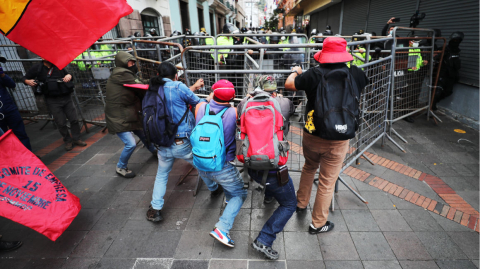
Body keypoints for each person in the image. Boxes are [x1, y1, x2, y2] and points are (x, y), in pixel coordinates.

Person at [284, 37, 369, 234]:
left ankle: (300, 203)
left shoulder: (313, 74)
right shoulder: (355, 73)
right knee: (327, 181)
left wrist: (296, 72)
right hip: (339, 138)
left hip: (312, 134)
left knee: (309, 167)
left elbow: (289, 85)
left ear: (323, 54)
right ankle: (318, 223)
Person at [146, 62, 217, 222]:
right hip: (181, 141)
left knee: (162, 174)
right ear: (176, 76)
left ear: (158, 75)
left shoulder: (153, 88)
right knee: (200, 166)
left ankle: (155, 209)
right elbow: (198, 103)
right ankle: (214, 188)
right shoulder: (178, 86)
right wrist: (208, 99)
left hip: (161, 141)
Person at [238, 75, 296, 259]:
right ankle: (264, 239)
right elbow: (292, 112)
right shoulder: (283, 102)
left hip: (251, 163)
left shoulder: (244, 103)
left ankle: (270, 196)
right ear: (275, 88)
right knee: (289, 204)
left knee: (270, 183)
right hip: (273, 165)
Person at [193, 79, 247, 248]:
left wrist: (211, 98)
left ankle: (221, 194)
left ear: (213, 93)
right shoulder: (232, 112)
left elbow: (207, 103)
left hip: (200, 160)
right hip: (221, 165)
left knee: (221, 184)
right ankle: (222, 229)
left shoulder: (200, 107)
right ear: (232, 97)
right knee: (240, 194)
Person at [105, 51, 156, 178]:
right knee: (130, 143)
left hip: (127, 113)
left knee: (144, 134)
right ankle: (121, 167)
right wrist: (156, 83)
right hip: (118, 116)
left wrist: (153, 81)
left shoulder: (123, 73)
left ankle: (154, 151)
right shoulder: (122, 73)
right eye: (130, 62)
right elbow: (141, 85)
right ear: (122, 63)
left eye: (133, 62)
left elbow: (138, 82)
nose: (132, 65)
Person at [23, 58, 86, 151]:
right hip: (52, 99)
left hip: (66, 97)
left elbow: (69, 75)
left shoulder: (58, 65)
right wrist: (27, 81)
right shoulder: (37, 68)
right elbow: (24, 78)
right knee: (61, 122)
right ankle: (68, 140)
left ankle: (77, 138)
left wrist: (69, 75)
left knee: (74, 119)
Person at [0, 56, 32, 150]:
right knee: (3, 137)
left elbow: (12, 84)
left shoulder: (1, 76)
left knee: (20, 133)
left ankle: (28, 155)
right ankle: (10, 159)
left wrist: (3, 75)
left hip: (9, 109)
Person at [432, 31, 464, 110]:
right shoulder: (444, 49)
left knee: (448, 92)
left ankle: (432, 104)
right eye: (454, 40)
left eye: (457, 41)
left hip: (451, 76)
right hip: (441, 74)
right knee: (437, 92)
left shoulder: (457, 51)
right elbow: (435, 58)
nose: (455, 43)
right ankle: (431, 106)